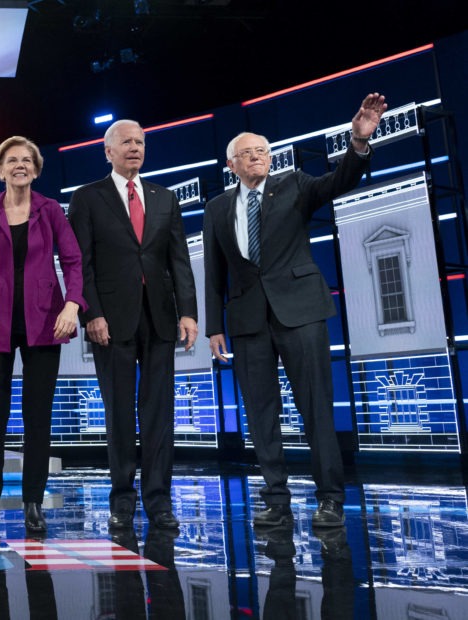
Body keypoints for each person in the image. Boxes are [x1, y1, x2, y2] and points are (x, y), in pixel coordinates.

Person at [205, 93, 387, 529]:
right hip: (248, 322)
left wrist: (358, 144)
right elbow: (214, 272)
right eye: (247, 154)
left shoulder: (296, 184)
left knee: (316, 408)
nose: (257, 158)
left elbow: (339, 181)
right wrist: (215, 327)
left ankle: (329, 498)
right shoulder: (215, 208)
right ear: (231, 164)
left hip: (300, 313)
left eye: (262, 151)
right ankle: (275, 499)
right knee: (260, 413)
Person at [68, 119, 198, 530]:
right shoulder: (87, 198)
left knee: (159, 413)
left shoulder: (165, 198)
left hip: (159, 317)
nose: (135, 148)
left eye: (140, 142)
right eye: (126, 142)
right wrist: (92, 313)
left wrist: (188, 311)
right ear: (107, 151)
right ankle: (122, 499)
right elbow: (80, 263)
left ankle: (159, 500)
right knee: (119, 413)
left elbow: (179, 260)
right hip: (111, 320)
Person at [0, 136, 85, 535]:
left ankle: (34, 503)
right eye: (12, 160)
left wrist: (72, 305)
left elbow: (73, 260)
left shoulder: (50, 211)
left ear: (35, 168)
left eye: (26, 160)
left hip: (45, 321)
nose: (20, 165)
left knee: (38, 417)